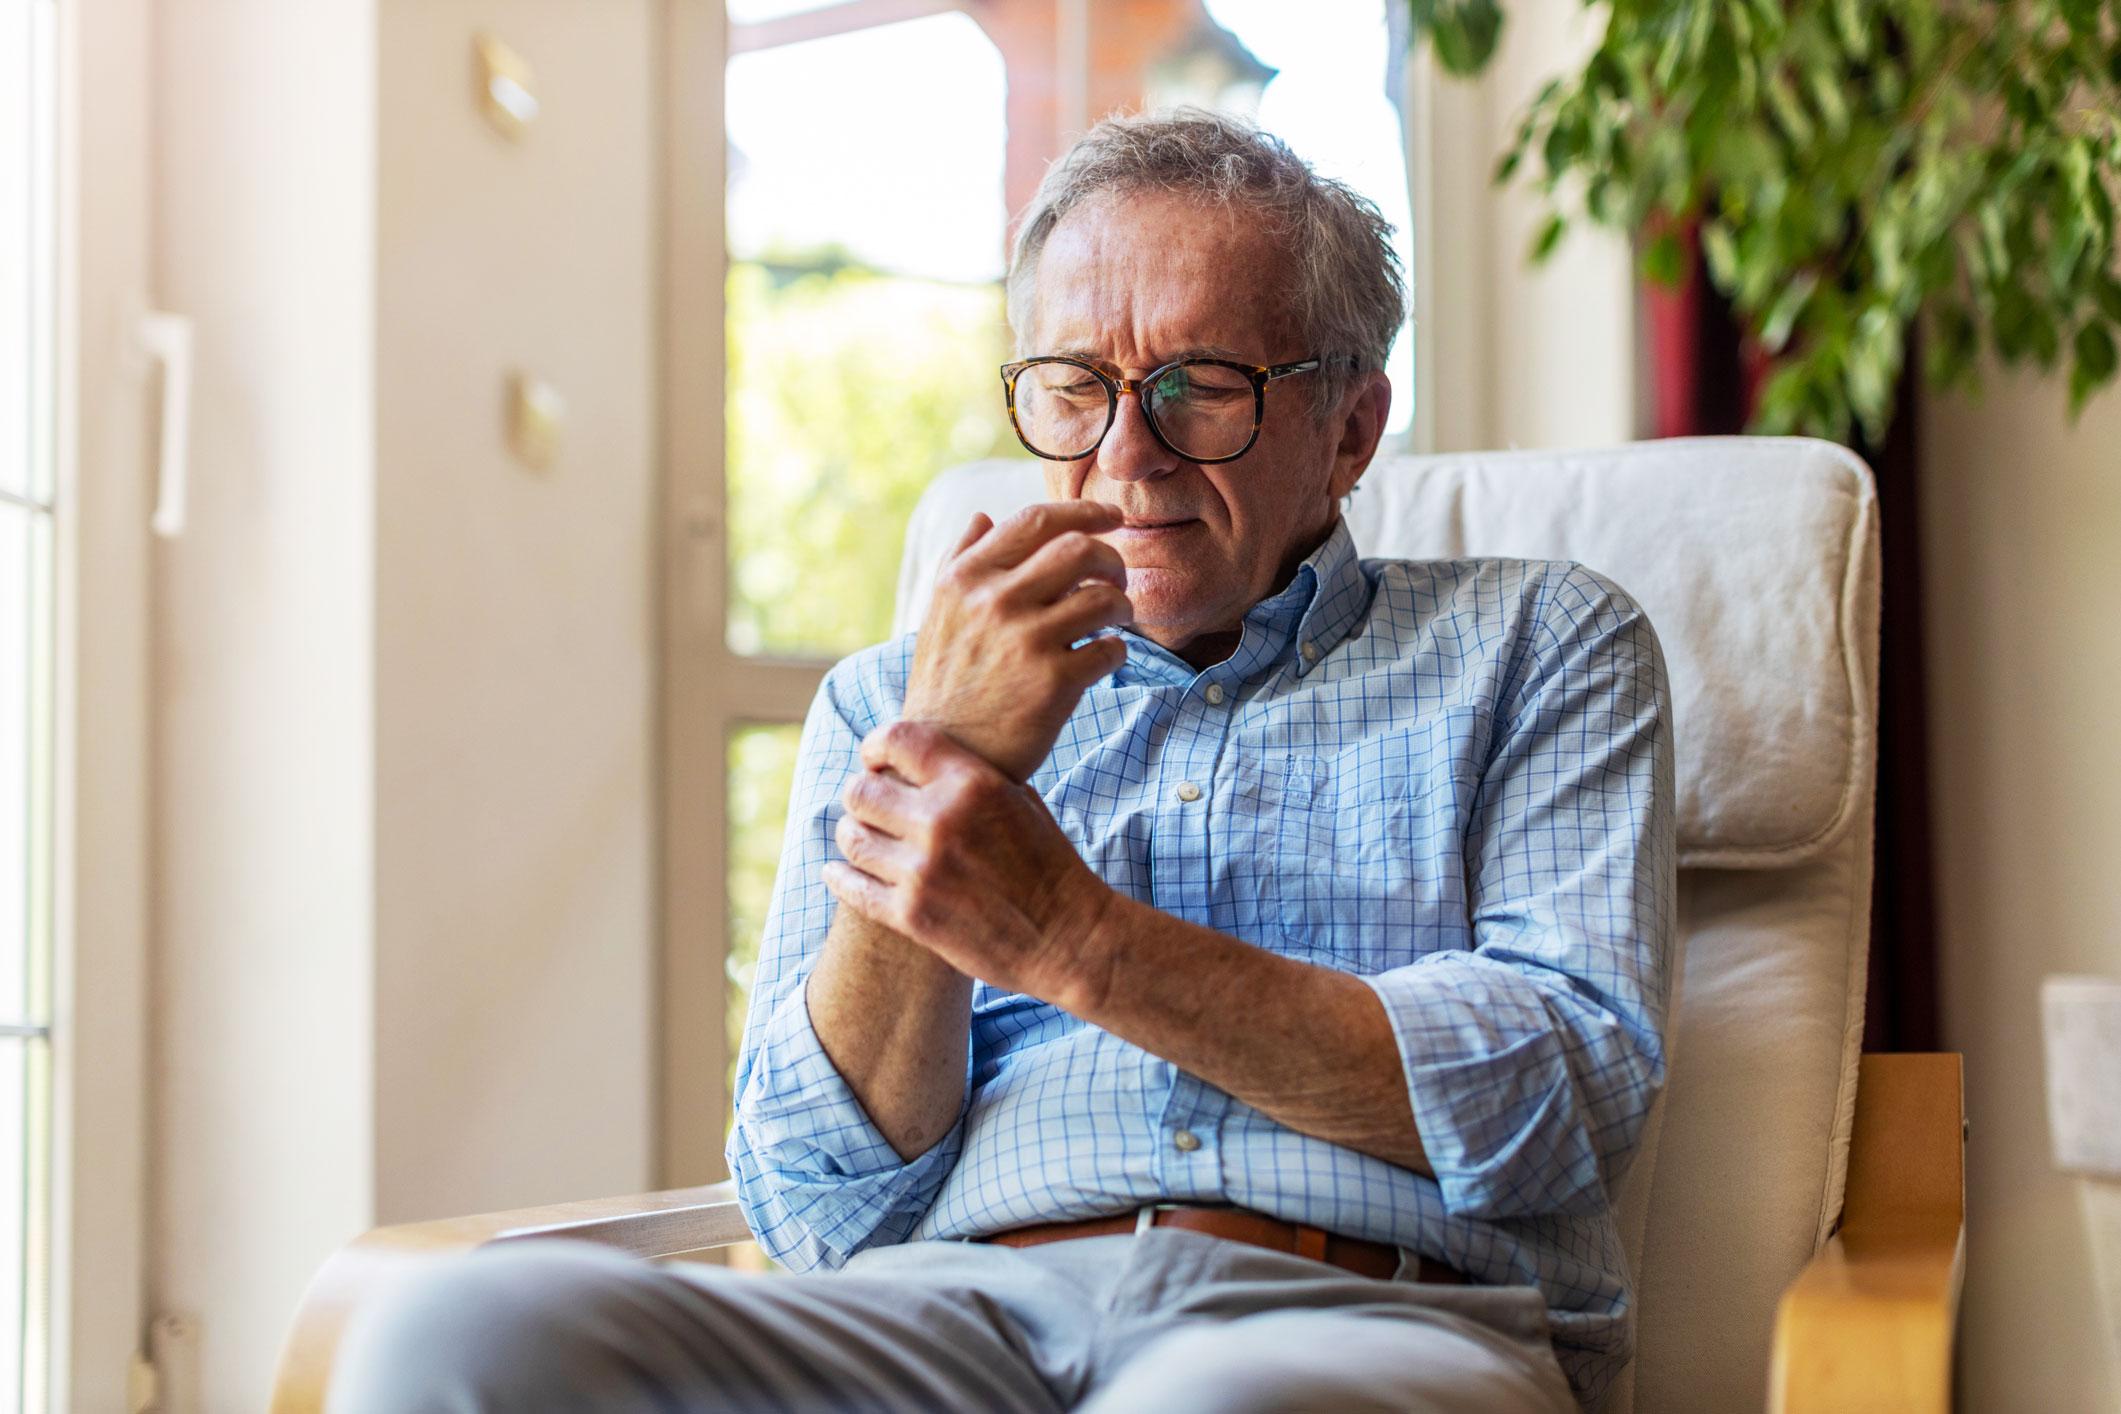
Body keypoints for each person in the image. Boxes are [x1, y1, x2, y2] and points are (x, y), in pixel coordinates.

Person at [334, 107, 1674, 1414]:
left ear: (1348, 428)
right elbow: (813, 1202)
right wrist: (943, 752)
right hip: (954, 1322)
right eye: (1074, 389)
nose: (1123, 455)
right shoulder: (889, 699)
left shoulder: (1539, 643)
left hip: (1365, 1315)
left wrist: (1069, 937)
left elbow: (1562, 1094)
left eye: (1197, 389)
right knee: (453, 1327)